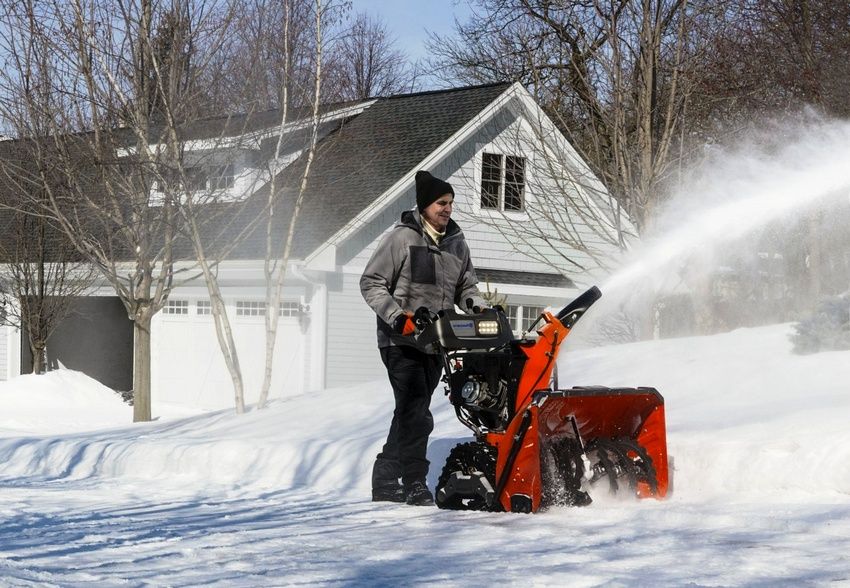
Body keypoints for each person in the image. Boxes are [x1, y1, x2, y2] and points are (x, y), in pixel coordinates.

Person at [360, 170, 488, 506]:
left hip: (437, 341)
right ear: (424, 206)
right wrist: (398, 317)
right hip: (400, 341)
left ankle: (386, 477)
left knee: (411, 410)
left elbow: (466, 287)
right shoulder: (402, 238)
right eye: (441, 203)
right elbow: (371, 283)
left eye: (450, 204)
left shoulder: (457, 243)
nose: (447, 209)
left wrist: (476, 306)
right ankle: (415, 481)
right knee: (416, 408)